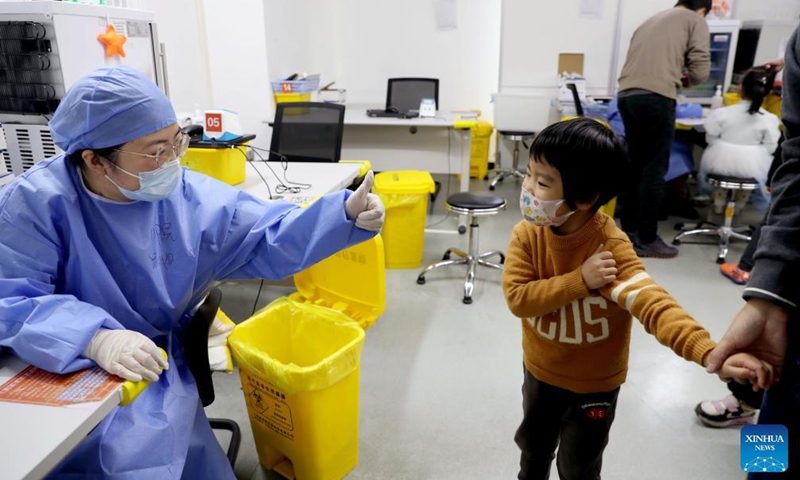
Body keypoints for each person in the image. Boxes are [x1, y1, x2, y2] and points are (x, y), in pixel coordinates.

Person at [0, 66, 385, 479]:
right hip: (66, 363)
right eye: (156, 151)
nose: (172, 161)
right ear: (96, 160)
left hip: (156, 364)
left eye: (176, 142)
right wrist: (93, 337)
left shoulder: (182, 193)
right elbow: (13, 300)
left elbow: (259, 234)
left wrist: (342, 216)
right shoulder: (34, 205)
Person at [502, 117, 772, 480]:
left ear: (584, 198)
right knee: (533, 452)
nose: (528, 188)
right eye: (529, 175)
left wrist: (710, 353)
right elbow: (518, 298)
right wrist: (579, 281)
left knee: (579, 468)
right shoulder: (527, 235)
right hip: (540, 371)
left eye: (543, 181)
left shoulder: (610, 249)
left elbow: (654, 305)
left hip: (595, 386)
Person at [706, 33, 800, 479]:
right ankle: (747, 409)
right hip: (786, 307)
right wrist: (768, 295)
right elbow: (794, 165)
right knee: (770, 441)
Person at [617, 0, 711, 258]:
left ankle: (628, 236)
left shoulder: (649, 21)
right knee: (654, 169)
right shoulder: (696, 20)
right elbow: (701, 70)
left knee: (635, 167)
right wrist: (687, 79)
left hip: (627, 95)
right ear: (701, 9)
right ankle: (648, 239)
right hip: (656, 97)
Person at [698, 68, 781, 214]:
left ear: (740, 87)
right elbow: (771, 148)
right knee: (754, 175)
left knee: (717, 169)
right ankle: (740, 205)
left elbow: (710, 139)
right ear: (768, 93)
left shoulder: (721, 113)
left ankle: (718, 200)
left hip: (719, 161)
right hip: (753, 166)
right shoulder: (769, 119)